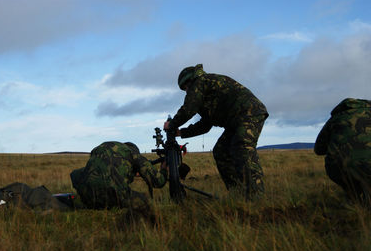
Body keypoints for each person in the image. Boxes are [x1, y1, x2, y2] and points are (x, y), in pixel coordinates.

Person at [164, 64, 268, 200]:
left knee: (242, 148)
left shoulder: (201, 82)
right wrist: (181, 133)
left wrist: (172, 124)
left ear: (189, 81)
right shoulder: (206, 96)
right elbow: (205, 125)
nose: (186, 91)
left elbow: (188, 109)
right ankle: (238, 194)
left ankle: (256, 197)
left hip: (249, 113)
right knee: (220, 151)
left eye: (185, 88)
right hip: (235, 122)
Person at [70, 141, 167, 221]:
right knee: (143, 200)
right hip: (113, 196)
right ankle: (132, 227)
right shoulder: (133, 154)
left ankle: (78, 201)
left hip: (87, 196)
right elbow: (159, 182)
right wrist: (164, 169)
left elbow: (74, 175)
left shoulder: (101, 148)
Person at [314, 98, 371, 206]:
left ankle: (353, 201)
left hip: (338, 169)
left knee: (352, 184)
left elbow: (319, 149)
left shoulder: (336, 118)